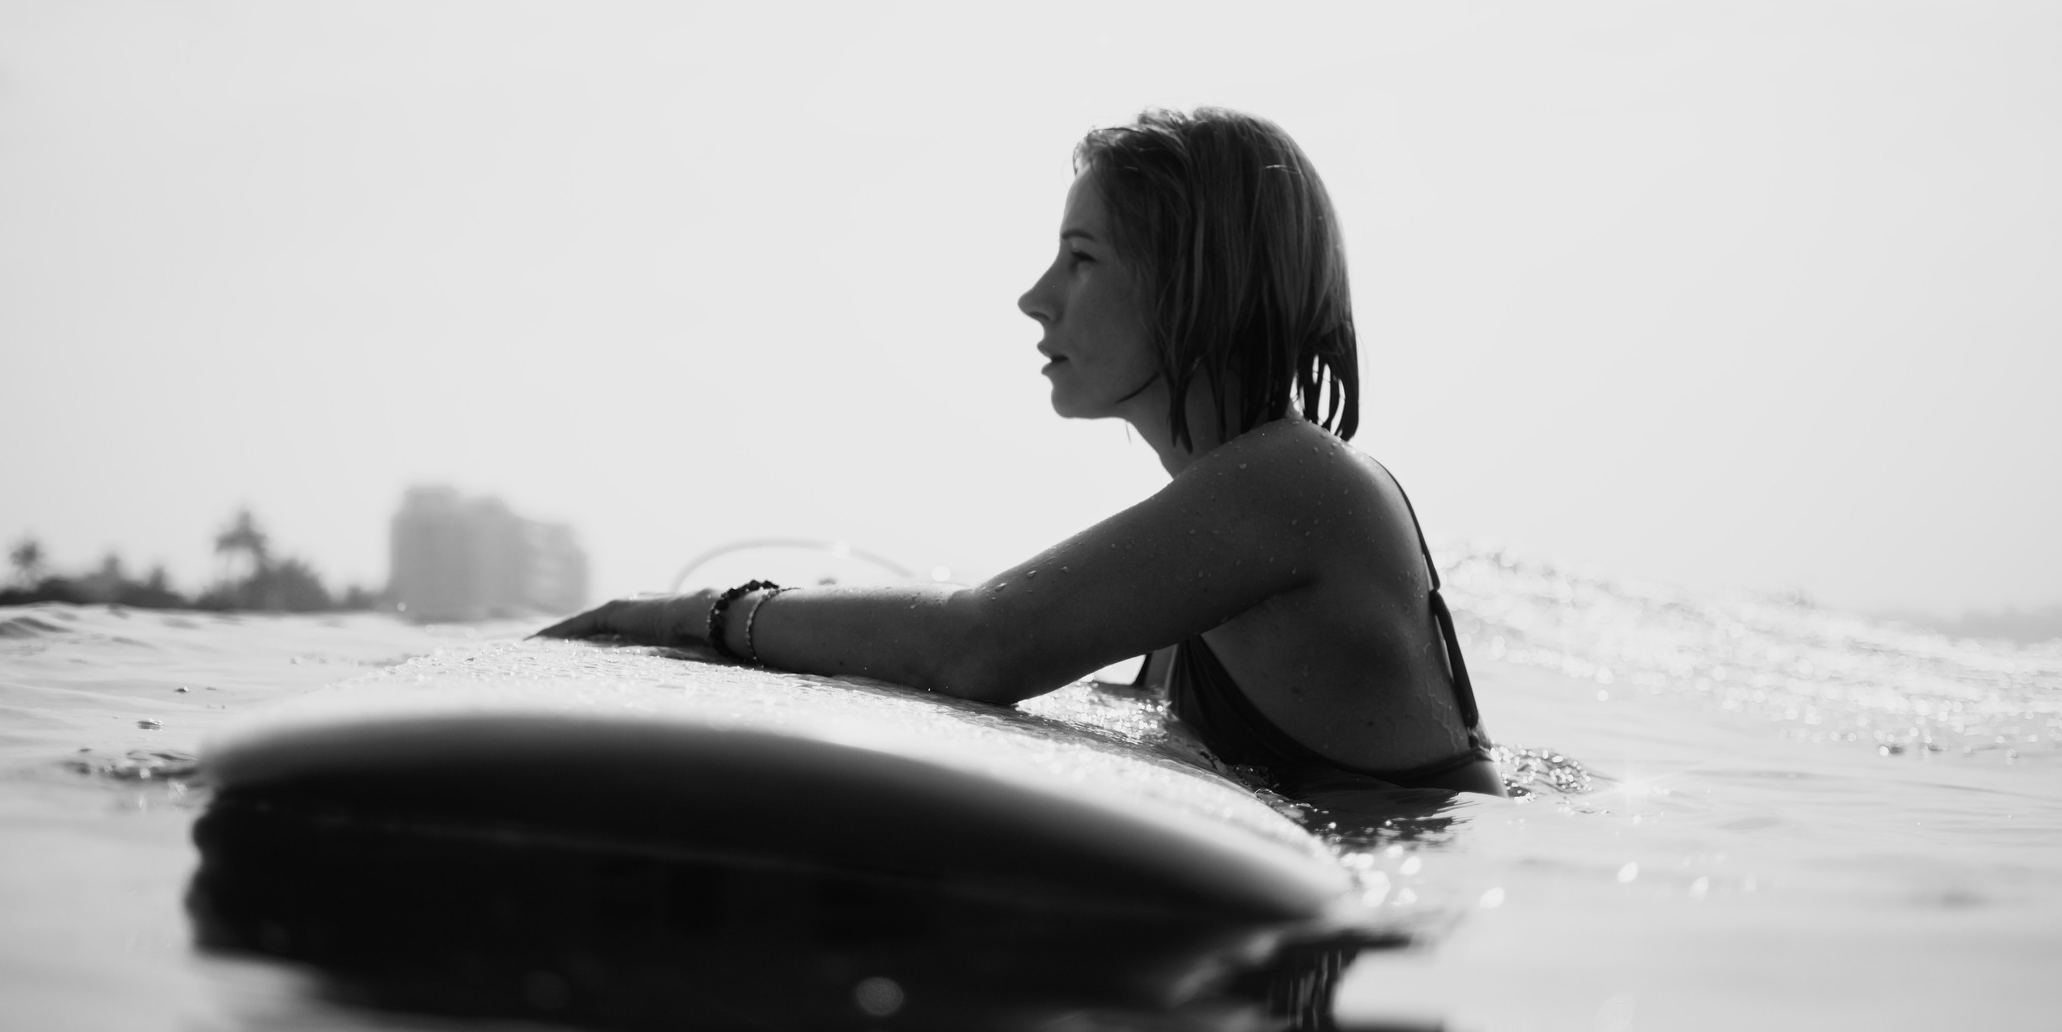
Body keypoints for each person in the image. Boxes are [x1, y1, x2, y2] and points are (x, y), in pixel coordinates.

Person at [542, 108, 1502, 799]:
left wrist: (697, 617)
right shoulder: (1235, 508)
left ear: (1193, 286)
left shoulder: (1296, 482)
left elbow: (982, 645)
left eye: (1082, 259)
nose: (1035, 298)